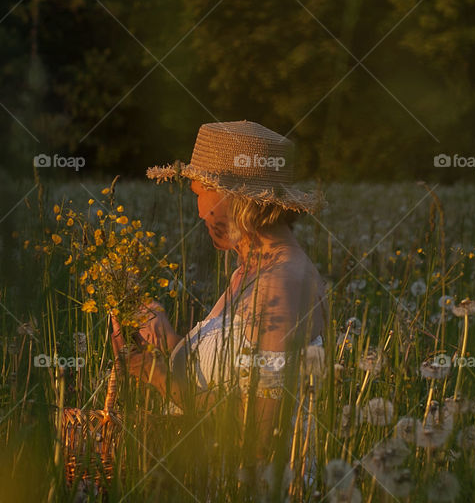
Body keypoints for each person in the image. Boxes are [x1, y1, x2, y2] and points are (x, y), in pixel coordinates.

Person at [108, 120, 329, 482]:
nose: (197, 211)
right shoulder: (251, 272)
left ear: (235, 198)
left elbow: (257, 434)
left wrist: (154, 374)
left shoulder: (281, 285)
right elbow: (224, 382)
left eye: (200, 192)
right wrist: (164, 340)